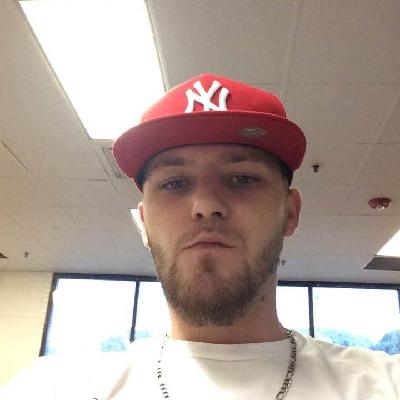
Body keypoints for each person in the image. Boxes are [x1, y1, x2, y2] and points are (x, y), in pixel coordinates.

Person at [1, 74, 399, 399]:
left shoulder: (384, 385)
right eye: (174, 183)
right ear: (144, 221)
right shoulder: (53, 388)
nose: (206, 205)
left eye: (242, 178)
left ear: (290, 212)